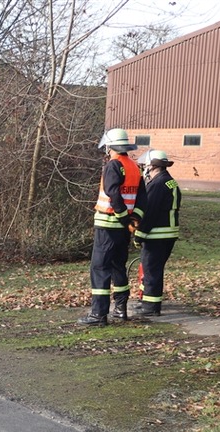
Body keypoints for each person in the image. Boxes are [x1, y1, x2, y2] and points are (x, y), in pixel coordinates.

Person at [78, 128, 147, 325]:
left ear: (110, 147)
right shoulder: (134, 167)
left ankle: (98, 314)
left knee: (99, 268)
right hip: (123, 230)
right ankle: (120, 310)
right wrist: (134, 219)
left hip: (107, 226)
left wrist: (123, 217)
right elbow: (143, 199)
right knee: (118, 267)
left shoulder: (112, 166)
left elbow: (113, 193)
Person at [134, 149, 181, 317]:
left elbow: (150, 212)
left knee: (151, 269)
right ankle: (148, 302)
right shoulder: (170, 182)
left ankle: (151, 307)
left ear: (151, 166)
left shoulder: (157, 184)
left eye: (145, 166)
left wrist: (140, 234)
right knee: (154, 268)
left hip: (157, 235)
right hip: (168, 234)